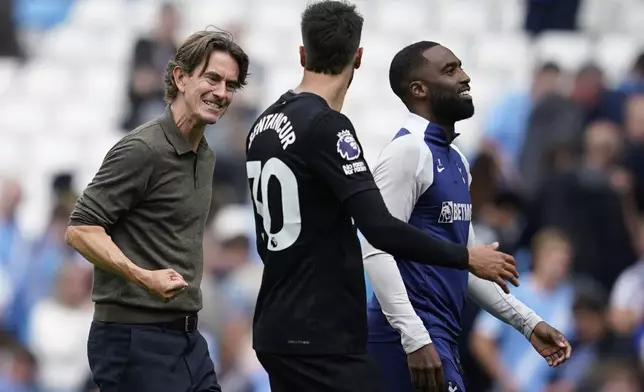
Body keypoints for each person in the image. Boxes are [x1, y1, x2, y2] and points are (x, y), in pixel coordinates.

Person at [245, 2, 519, 391]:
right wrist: (465, 256)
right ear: (358, 58)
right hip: (321, 332)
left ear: (302, 54)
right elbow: (379, 228)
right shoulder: (329, 126)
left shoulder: (263, 124)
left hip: (274, 322)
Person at [363, 41, 572, 392]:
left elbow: (470, 266)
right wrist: (414, 338)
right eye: (450, 70)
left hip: (440, 336)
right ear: (419, 89)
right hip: (403, 340)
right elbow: (374, 247)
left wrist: (529, 324)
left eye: (460, 67)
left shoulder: (458, 161)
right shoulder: (407, 152)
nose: (465, 77)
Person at [65, 30, 249, 392]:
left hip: (187, 338)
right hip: (134, 338)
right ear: (180, 77)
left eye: (231, 85)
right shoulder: (143, 148)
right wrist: (142, 276)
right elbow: (80, 229)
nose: (222, 93)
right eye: (212, 78)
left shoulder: (206, 155)